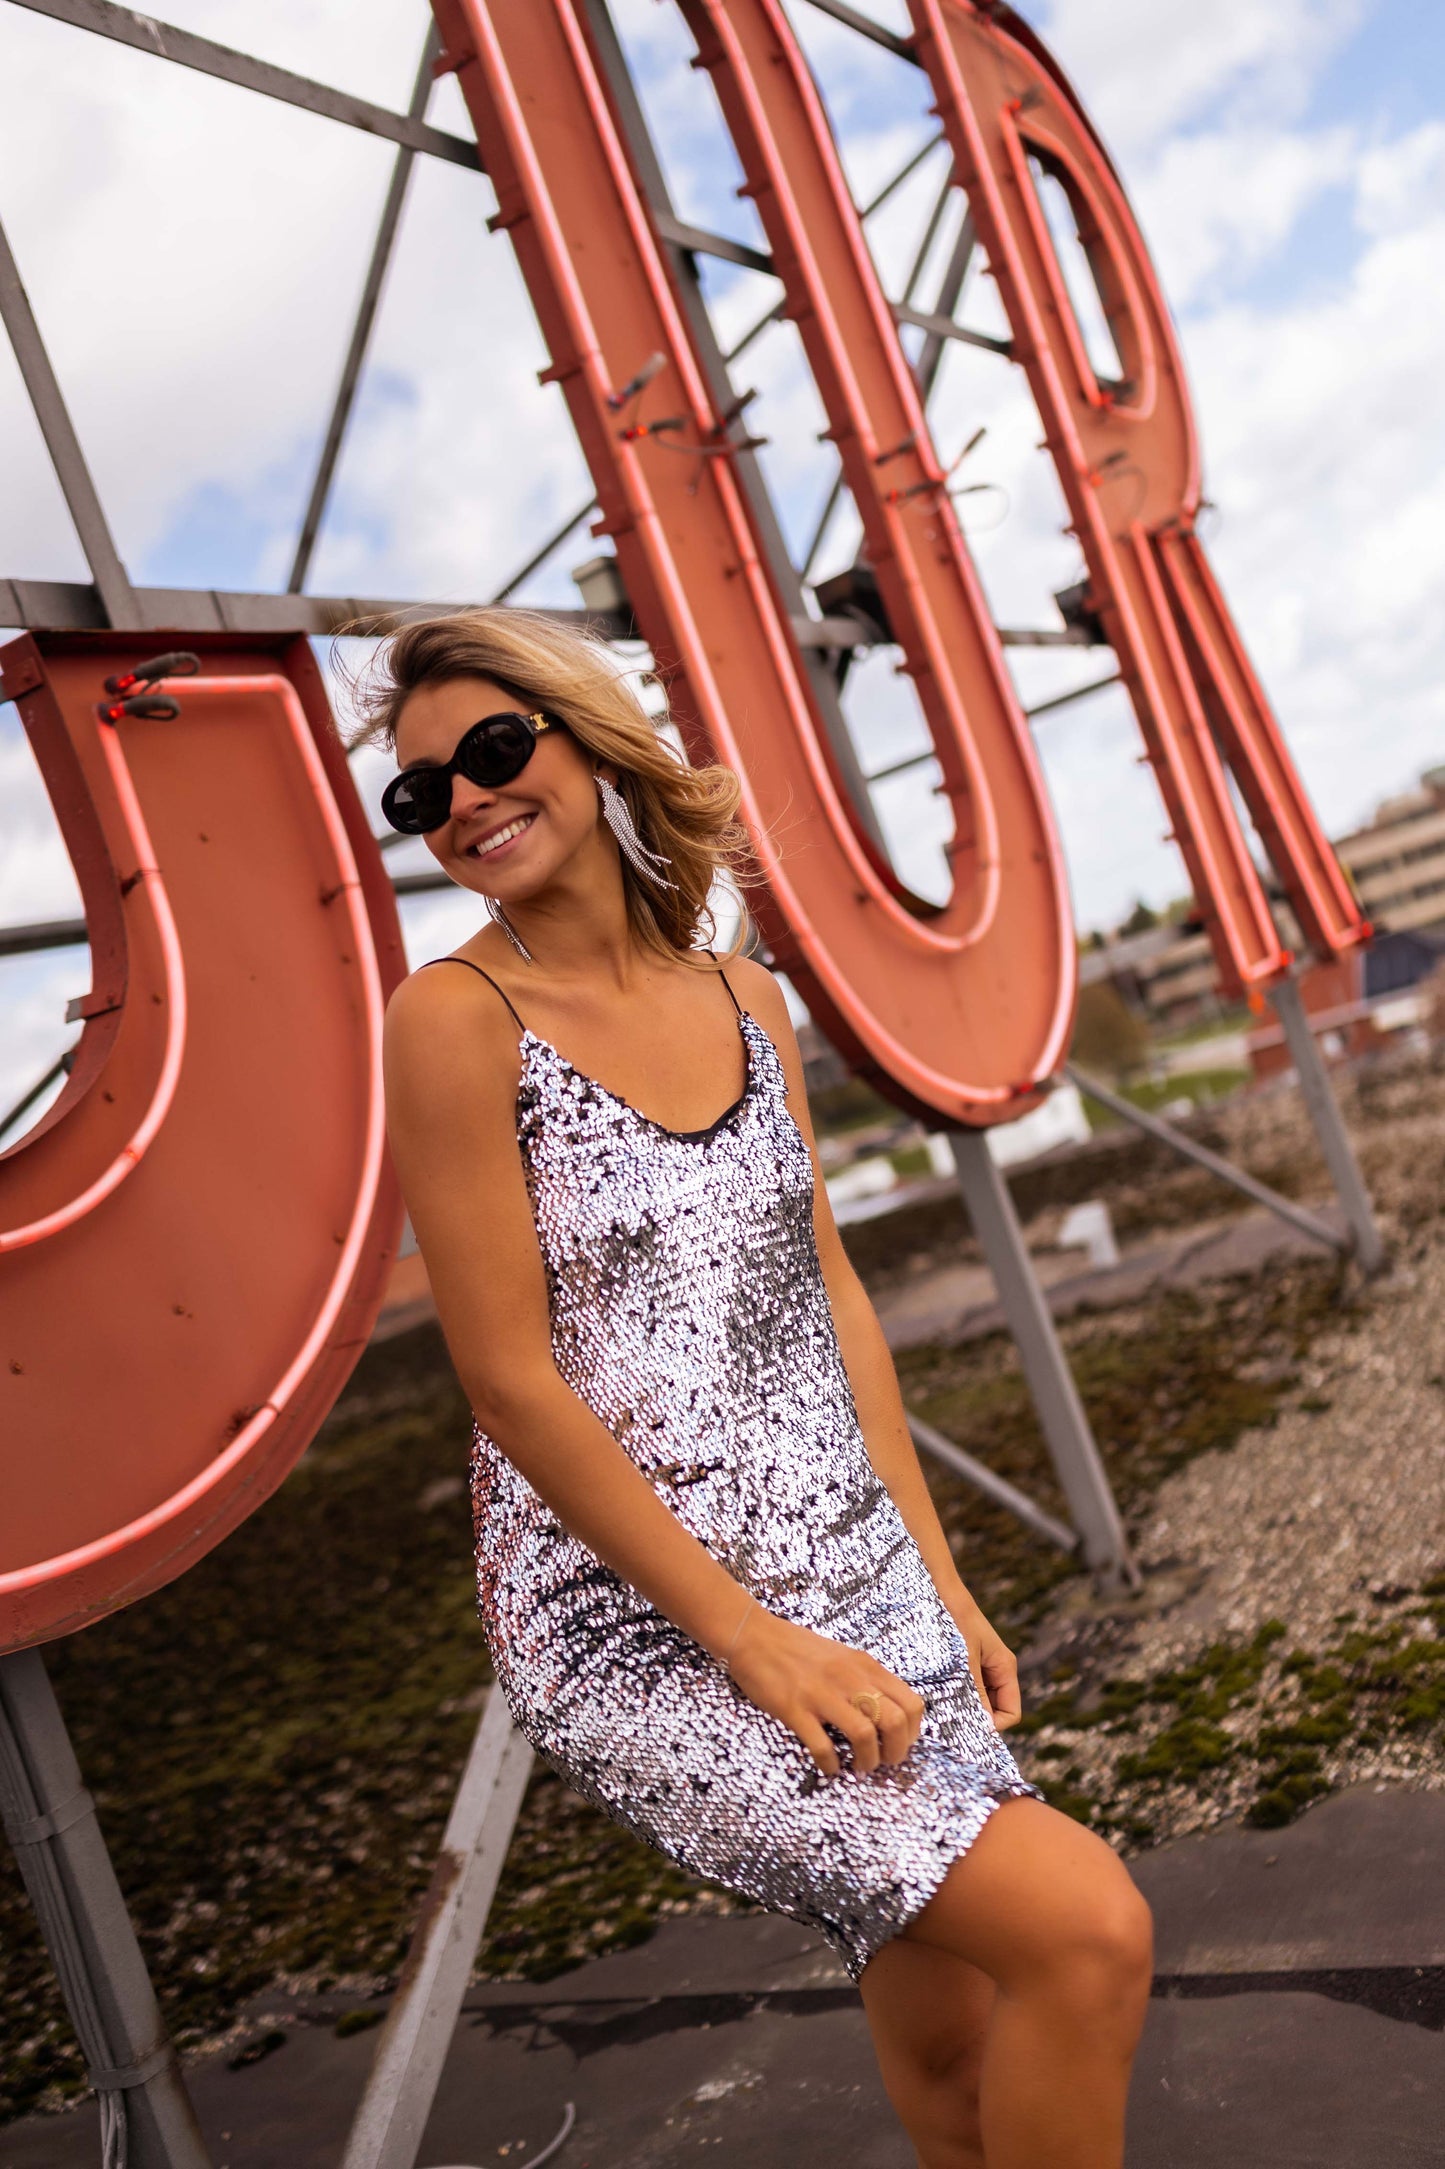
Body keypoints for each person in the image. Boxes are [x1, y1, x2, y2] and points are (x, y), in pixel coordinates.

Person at [363, 607, 1152, 2169]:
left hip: (847, 1563)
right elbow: (511, 1386)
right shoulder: (454, 1020)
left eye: (493, 753)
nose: (458, 801)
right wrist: (755, 1644)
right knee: (1087, 1934)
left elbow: (831, 1297)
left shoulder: (747, 995)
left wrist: (933, 1574)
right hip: (640, 1621)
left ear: (588, 742)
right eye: (419, 792)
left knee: (948, 2025)